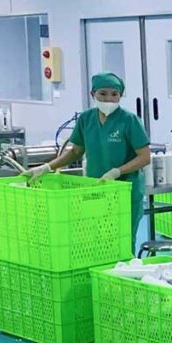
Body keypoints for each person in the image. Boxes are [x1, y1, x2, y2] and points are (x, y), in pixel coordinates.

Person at [27, 73, 150, 249]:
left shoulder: (129, 120)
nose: (109, 99)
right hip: (95, 187)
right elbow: (75, 151)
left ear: (121, 95)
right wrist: (46, 167)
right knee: (96, 241)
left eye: (114, 94)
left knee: (122, 241)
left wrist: (117, 172)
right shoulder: (86, 119)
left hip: (125, 190)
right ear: (93, 94)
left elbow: (144, 157)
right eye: (103, 93)